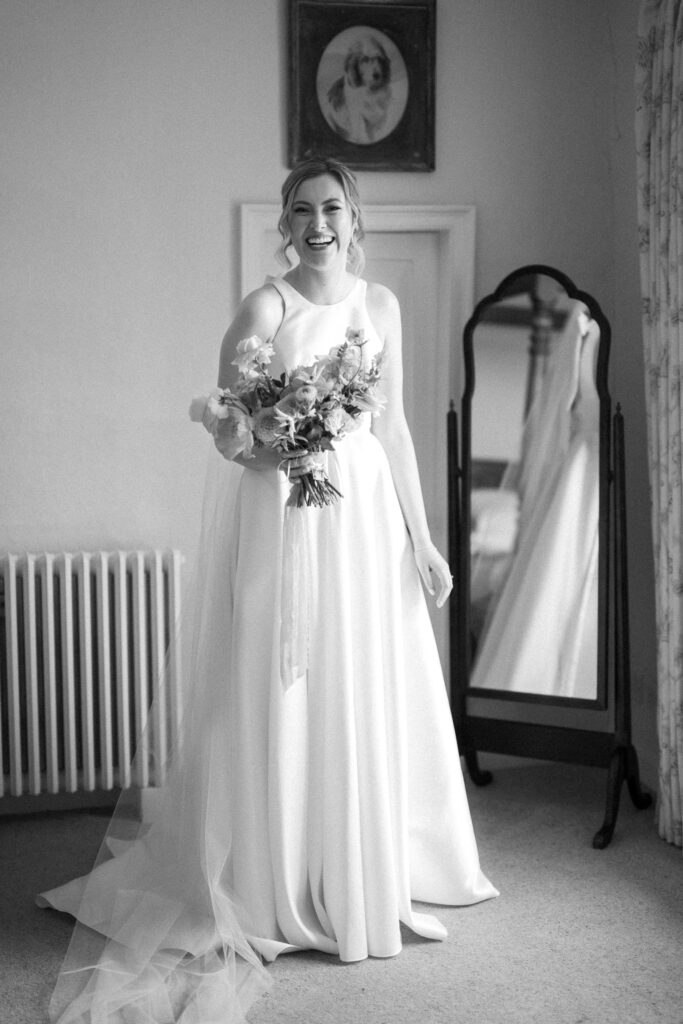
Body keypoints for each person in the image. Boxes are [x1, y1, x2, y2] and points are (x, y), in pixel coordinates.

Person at [38, 157, 497, 1024]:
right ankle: (273, 875)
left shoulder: (383, 307)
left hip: (360, 519)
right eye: (302, 210)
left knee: (357, 682)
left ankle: (353, 867)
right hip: (284, 515)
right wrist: (279, 445)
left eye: (332, 207)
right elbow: (229, 433)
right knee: (279, 680)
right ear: (284, 223)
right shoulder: (265, 307)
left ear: (354, 218)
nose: (317, 222)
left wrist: (422, 538)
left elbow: (391, 426)